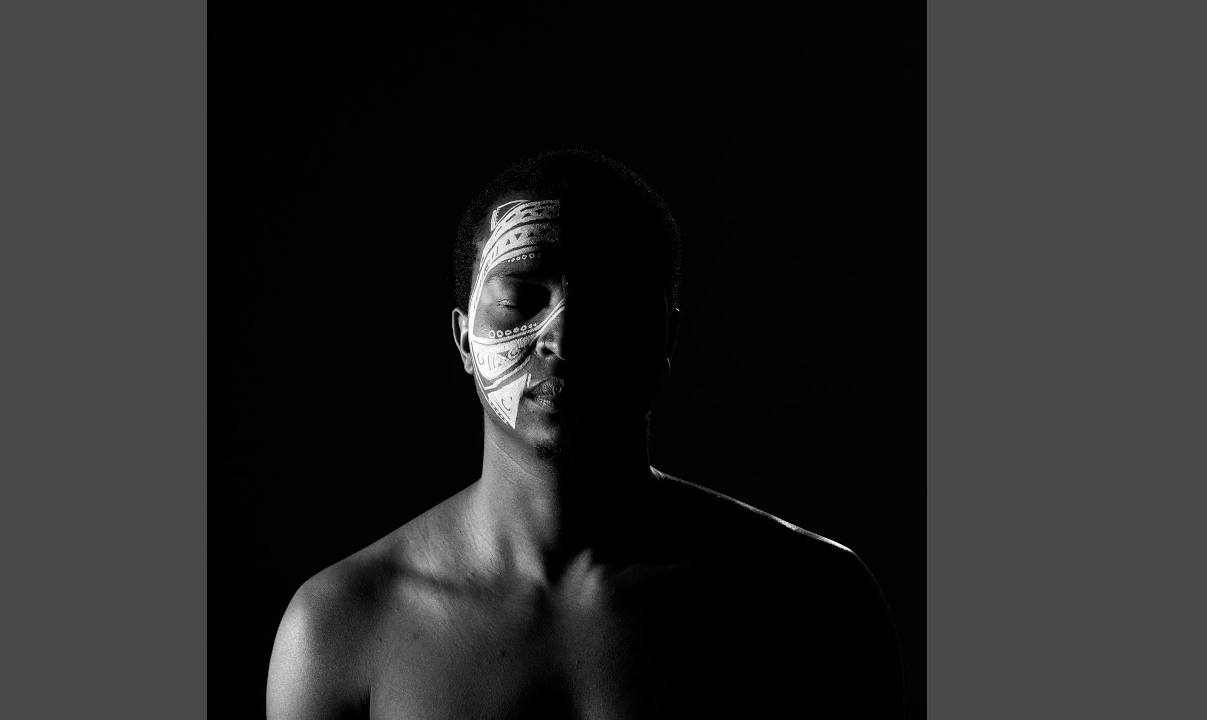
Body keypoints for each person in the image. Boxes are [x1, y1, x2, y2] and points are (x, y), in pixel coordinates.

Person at [266, 150, 904, 719]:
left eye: (612, 302)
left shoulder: (814, 603)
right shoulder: (339, 626)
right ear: (463, 339)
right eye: (522, 298)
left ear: (666, 339)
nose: (565, 338)